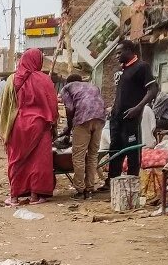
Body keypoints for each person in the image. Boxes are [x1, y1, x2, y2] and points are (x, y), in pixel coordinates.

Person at [0, 49, 59, 205]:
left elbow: (5, 105)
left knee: (16, 160)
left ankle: (14, 197)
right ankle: (34, 196)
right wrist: (54, 125)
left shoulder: (12, 79)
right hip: (40, 125)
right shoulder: (45, 79)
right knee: (38, 161)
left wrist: (5, 128)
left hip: (17, 125)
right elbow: (53, 105)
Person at [109, 39, 158, 183]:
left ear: (129, 51)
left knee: (131, 150)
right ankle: (112, 181)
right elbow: (120, 93)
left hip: (131, 117)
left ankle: (132, 182)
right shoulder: (120, 70)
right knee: (114, 149)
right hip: (116, 117)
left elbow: (153, 89)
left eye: (119, 53)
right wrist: (113, 109)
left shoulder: (141, 67)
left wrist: (138, 107)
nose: (117, 56)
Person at [59, 73, 106, 198]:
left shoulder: (67, 88)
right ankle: (90, 188)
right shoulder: (92, 86)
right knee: (93, 155)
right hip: (100, 119)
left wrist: (68, 129)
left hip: (83, 119)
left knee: (78, 156)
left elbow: (69, 109)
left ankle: (80, 190)